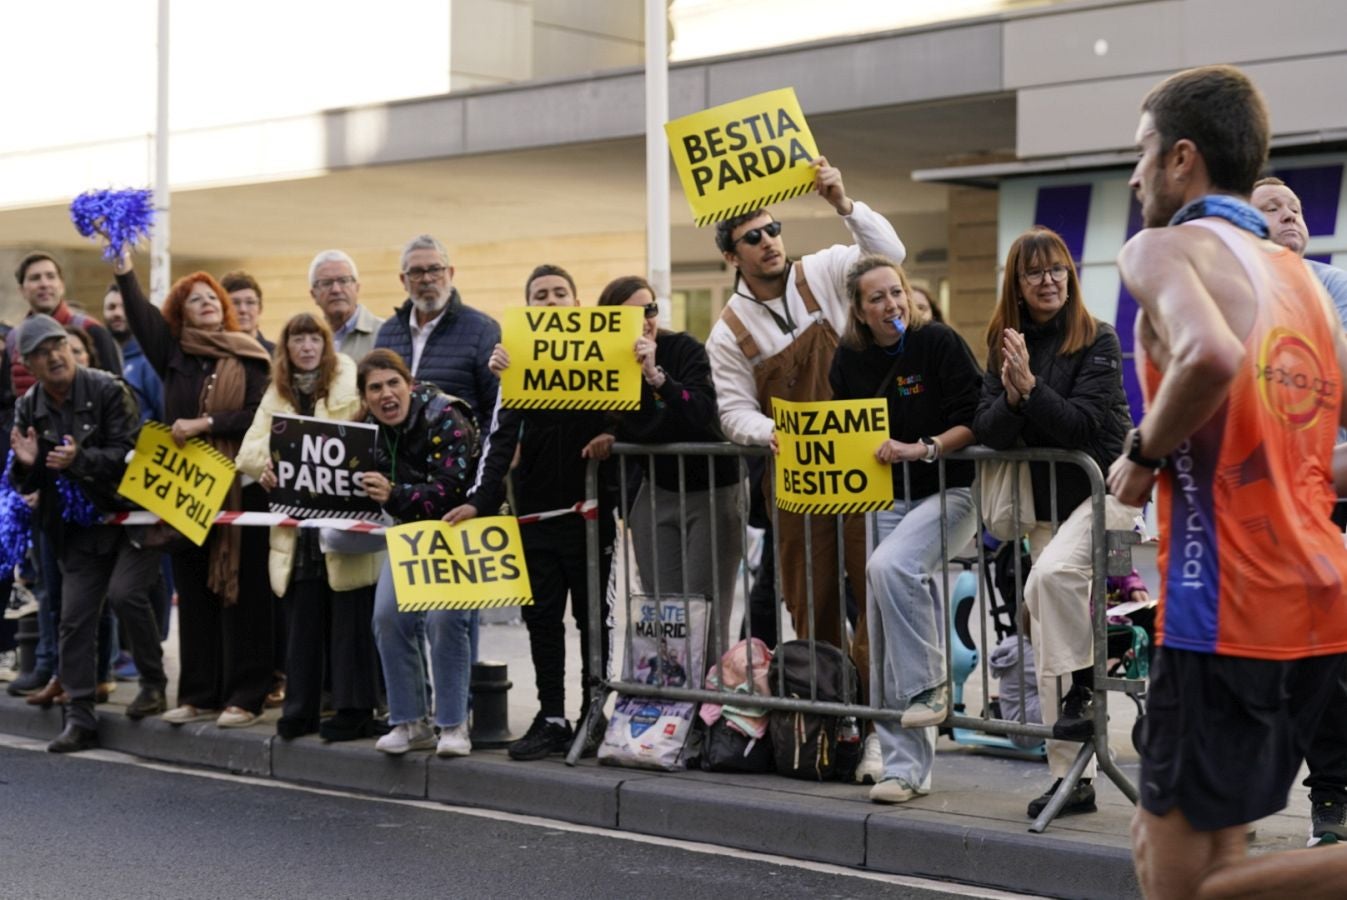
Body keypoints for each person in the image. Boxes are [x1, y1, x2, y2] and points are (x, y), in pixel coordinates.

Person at [1111, 65, 1347, 898]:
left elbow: (1207, 356)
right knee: (1167, 847)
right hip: (1316, 601)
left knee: (1185, 888)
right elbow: (1325, 450)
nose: (1133, 175)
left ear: (1181, 158)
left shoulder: (1165, 246)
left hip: (1226, 609)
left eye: (1140, 152)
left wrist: (1141, 453)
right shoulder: (1301, 283)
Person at [704, 158, 906, 783]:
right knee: (810, 608)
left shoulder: (823, 268)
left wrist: (844, 203)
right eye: (753, 238)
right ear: (732, 256)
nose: (769, 242)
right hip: (796, 484)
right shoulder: (727, 331)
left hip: (865, 472)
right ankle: (831, 729)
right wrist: (776, 432)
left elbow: (888, 253)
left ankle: (881, 736)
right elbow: (734, 412)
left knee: (873, 606)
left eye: (773, 230)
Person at [972, 226, 1136, 819]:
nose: (1049, 281)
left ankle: (1090, 688)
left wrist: (1029, 390)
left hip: (1110, 499)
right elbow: (989, 430)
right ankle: (1072, 778)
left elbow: (1085, 427)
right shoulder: (1004, 343)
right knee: (1047, 640)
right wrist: (1014, 398)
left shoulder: (1097, 339)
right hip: (1046, 508)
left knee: (1052, 585)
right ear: (1016, 284)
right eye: (1035, 273)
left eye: (1058, 270)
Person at [446, 264, 617, 761]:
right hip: (535, 517)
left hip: (591, 516)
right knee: (541, 620)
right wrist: (479, 501)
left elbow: (630, 417)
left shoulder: (603, 359)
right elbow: (498, 440)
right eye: (539, 295)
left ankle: (594, 712)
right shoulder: (515, 366)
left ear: (576, 304)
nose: (550, 301)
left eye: (560, 292)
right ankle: (552, 717)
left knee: (593, 621)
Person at [829, 255, 982, 804]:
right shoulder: (848, 358)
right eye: (878, 298)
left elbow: (978, 417)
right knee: (883, 633)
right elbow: (844, 429)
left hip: (954, 490)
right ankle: (905, 769)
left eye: (897, 291)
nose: (892, 304)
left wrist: (924, 449)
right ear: (859, 310)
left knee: (889, 566)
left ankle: (932, 685)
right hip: (885, 498)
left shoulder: (938, 342)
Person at [111, 248, 275, 730]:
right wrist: (123, 270)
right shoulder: (174, 355)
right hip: (189, 492)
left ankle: (247, 695)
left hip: (241, 493)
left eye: (211, 296)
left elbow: (256, 415)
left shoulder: (249, 354)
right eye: (192, 299)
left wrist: (205, 423)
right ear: (179, 313)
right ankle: (200, 693)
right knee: (196, 589)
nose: (204, 302)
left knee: (243, 594)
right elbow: (139, 313)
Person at [8, 315, 167, 752]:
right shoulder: (30, 406)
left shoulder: (107, 388)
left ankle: (153, 683)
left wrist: (78, 460)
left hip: (133, 517)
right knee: (74, 617)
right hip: (79, 529)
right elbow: (28, 482)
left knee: (124, 594)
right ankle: (79, 717)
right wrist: (26, 466)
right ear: (29, 363)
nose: (54, 355)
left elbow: (129, 454)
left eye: (59, 345)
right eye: (42, 352)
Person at [1252, 175, 1347, 845]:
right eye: (1270, 208)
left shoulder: (1329, 288)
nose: (1289, 216)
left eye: (1293, 208)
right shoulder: (1234, 301)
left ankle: (1330, 794)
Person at [236, 314, 384, 741]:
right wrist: (267, 466)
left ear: (325, 343)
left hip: (342, 523)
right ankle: (299, 712)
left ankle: (354, 710)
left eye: (312, 338)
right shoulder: (275, 392)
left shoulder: (349, 379)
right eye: (297, 338)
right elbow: (249, 449)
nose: (306, 347)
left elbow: (367, 433)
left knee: (350, 620)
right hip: (298, 533)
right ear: (287, 347)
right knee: (301, 624)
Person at [594, 275, 743, 646]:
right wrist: (614, 435)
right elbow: (628, 423)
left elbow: (700, 413)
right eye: (631, 314)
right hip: (656, 490)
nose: (645, 319)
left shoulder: (684, 349)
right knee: (663, 607)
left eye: (650, 309)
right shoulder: (607, 363)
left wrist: (656, 376)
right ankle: (674, 697)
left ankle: (708, 699)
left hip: (711, 490)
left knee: (705, 607)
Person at [3, 253, 123, 700]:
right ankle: (59, 672)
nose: (44, 283)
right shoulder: (26, 383)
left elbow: (122, 434)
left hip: (100, 500)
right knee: (52, 589)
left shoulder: (93, 337)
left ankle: (102, 673)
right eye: (34, 277)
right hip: (49, 497)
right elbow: (15, 425)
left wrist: (81, 462)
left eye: (51, 275)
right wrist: (28, 468)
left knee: (99, 596)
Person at [358, 349, 480, 757]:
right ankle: (410, 722)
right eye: (375, 388)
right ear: (365, 397)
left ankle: (454, 723)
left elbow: (452, 489)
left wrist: (395, 494)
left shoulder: (447, 415)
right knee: (387, 618)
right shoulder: (366, 428)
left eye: (393, 383)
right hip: (408, 535)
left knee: (445, 622)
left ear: (409, 384)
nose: (386, 394)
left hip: (456, 530)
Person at [373, 235, 499, 424]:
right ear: (403, 280)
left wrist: (478, 452)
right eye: (416, 272)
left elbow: (496, 407)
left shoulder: (482, 330)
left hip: (460, 451)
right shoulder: (387, 333)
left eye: (435, 270)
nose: (426, 279)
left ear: (450, 273)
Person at [307, 250, 383, 362]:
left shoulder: (384, 333)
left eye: (344, 281)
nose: (336, 290)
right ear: (314, 294)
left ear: (357, 288)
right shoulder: (306, 342)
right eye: (326, 283)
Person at [221, 271, 275, 355]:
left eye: (250, 302)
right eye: (235, 303)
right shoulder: (213, 354)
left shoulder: (278, 355)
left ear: (260, 309)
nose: (243, 310)